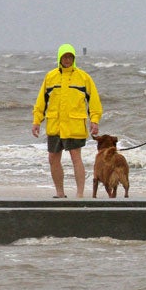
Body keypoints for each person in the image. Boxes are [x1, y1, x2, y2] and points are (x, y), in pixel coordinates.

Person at [32, 43, 102, 198]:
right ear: (60, 58)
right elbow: (41, 102)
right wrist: (36, 121)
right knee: (53, 159)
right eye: (65, 57)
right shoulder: (50, 77)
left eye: (70, 57)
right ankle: (60, 193)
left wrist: (94, 120)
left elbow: (94, 102)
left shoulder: (84, 77)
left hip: (74, 125)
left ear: (74, 59)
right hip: (55, 125)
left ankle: (79, 194)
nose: (67, 60)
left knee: (76, 157)